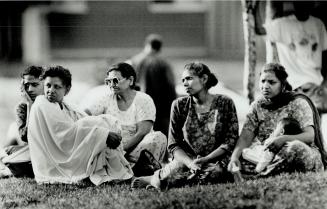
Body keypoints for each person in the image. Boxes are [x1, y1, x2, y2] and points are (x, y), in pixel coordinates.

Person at [131, 62, 239, 190]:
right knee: (173, 175)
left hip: (217, 158)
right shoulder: (179, 105)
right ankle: (157, 179)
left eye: (189, 78)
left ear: (204, 79)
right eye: (183, 80)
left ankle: (157, 180)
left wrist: (207, 159)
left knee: (216, 174)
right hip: (188, 159)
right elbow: (173, 143)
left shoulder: (225, 102)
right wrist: (189, 163)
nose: (185, 83)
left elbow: (231, 140)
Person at [27, 66, 133, 185]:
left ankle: (114, 172)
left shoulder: (65, 104)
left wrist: (103, 131)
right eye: (48, 85)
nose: (51, 90)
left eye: (57, 87)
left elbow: (82, 121)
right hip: (54, 161)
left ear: (67, 90)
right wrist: (102, 134)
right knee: (100, 126)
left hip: (68, 151)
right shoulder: (42, 103)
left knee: (103, 122)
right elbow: (63, 135)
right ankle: (115, 171)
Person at [228, 63, 327, 178]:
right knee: (232, 155)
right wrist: (234, 158)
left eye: (272, 82)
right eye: (263, 81)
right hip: (267, 155)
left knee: (294, 148)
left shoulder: (298, 103)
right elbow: (245, 137)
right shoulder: (257, 106)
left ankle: (259, 176)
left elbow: (309, 136)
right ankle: (257, 171)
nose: (265, 86)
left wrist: (282, 139)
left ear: (283, 85)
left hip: (299, 152)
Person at [83, 62, 167, 172]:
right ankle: (129, 168)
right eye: (108, 81)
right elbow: (84, 116)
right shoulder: (105, 99)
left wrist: (123, 150)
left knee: (158, 138)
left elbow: (142, 132)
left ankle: (136, 167)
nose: (111, 84)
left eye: (115, 80)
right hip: (112, 150)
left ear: (130, 80)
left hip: (136, 149)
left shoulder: (143, 99)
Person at [264, 1, 327, 113]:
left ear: (312, 4)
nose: (304, 6)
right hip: (293, 85)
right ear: (295, 4)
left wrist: (324, 82)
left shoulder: (318, 24)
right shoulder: (281, 25)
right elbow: (262, 30)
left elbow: (325, 54)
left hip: (315, 86)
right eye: (300, 3)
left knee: (316, 118)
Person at [127, 34, 176, 136]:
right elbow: (171, 84)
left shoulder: (134, 61)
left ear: (147, 44)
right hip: (161, 109)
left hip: (138, 108)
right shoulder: (164, 63)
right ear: (160, 47)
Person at [2, 66, 44, 151]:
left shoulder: (52, 103)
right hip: (28, 148)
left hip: (44, 150)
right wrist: (30, 104)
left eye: (35, 85)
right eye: (27, 85)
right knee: (10, 146)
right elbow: (25, 137)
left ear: (45, 85)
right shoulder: (23, 107)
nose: (30, 89)